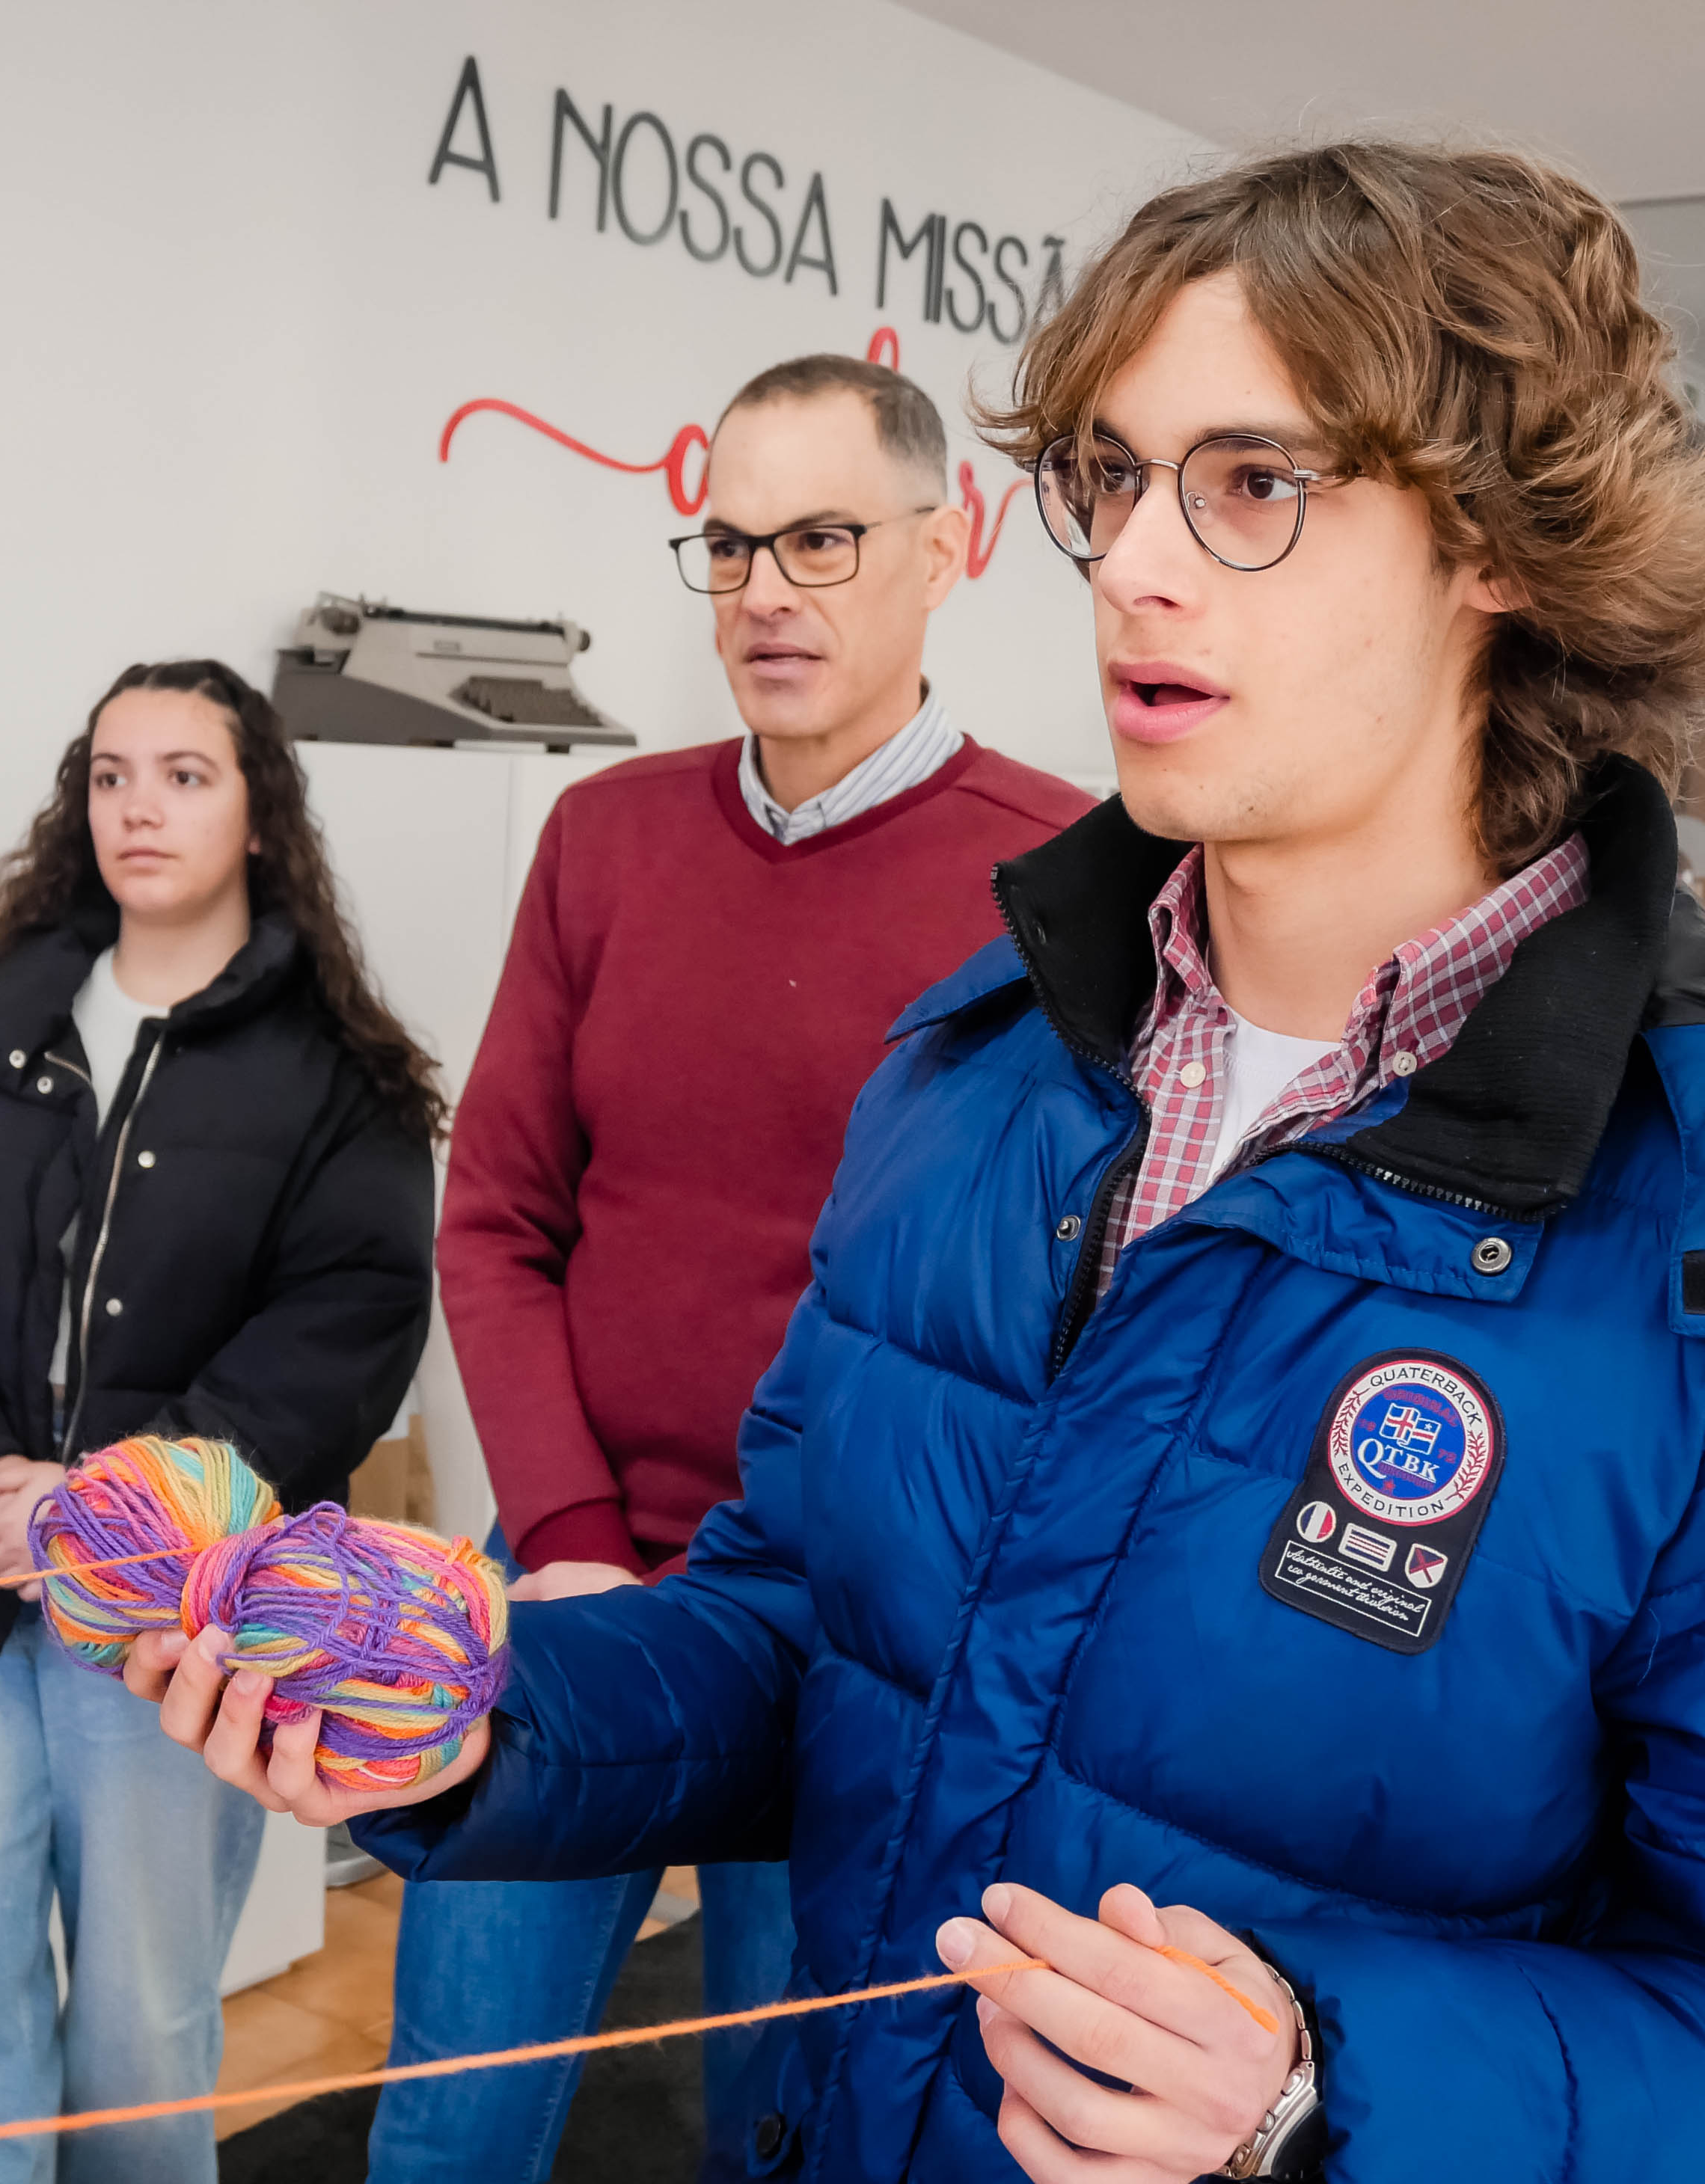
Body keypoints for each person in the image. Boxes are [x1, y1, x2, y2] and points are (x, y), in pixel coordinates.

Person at [137, 142, 1705, 2183]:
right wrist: (490, 1709)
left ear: (1497, 540)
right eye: (1113, 480)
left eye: (1253, 483)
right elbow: (807, 1630)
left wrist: (1316, 2090)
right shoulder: (985, 1067)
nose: (1136, 563)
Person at [377, 352, 1092, 2183]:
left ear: (947, 547)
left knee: (787, 2134)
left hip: (855, 1634)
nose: (769, 590)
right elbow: (497, 1214)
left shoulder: (1070, 881)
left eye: (824, 539)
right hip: (574, 1577)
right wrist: (565, 1538)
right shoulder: (604, 837)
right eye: (732, 545)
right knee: (450, 2121)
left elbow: (1069, 1307)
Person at [0, 658, 441, 2184]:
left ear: (260, 816)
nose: (136, 806)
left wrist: (108, 1508)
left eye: (183, 774)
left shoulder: (338, 1078)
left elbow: (344, 1326)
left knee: (142, 2038)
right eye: (109, 775)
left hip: (177, 1629)